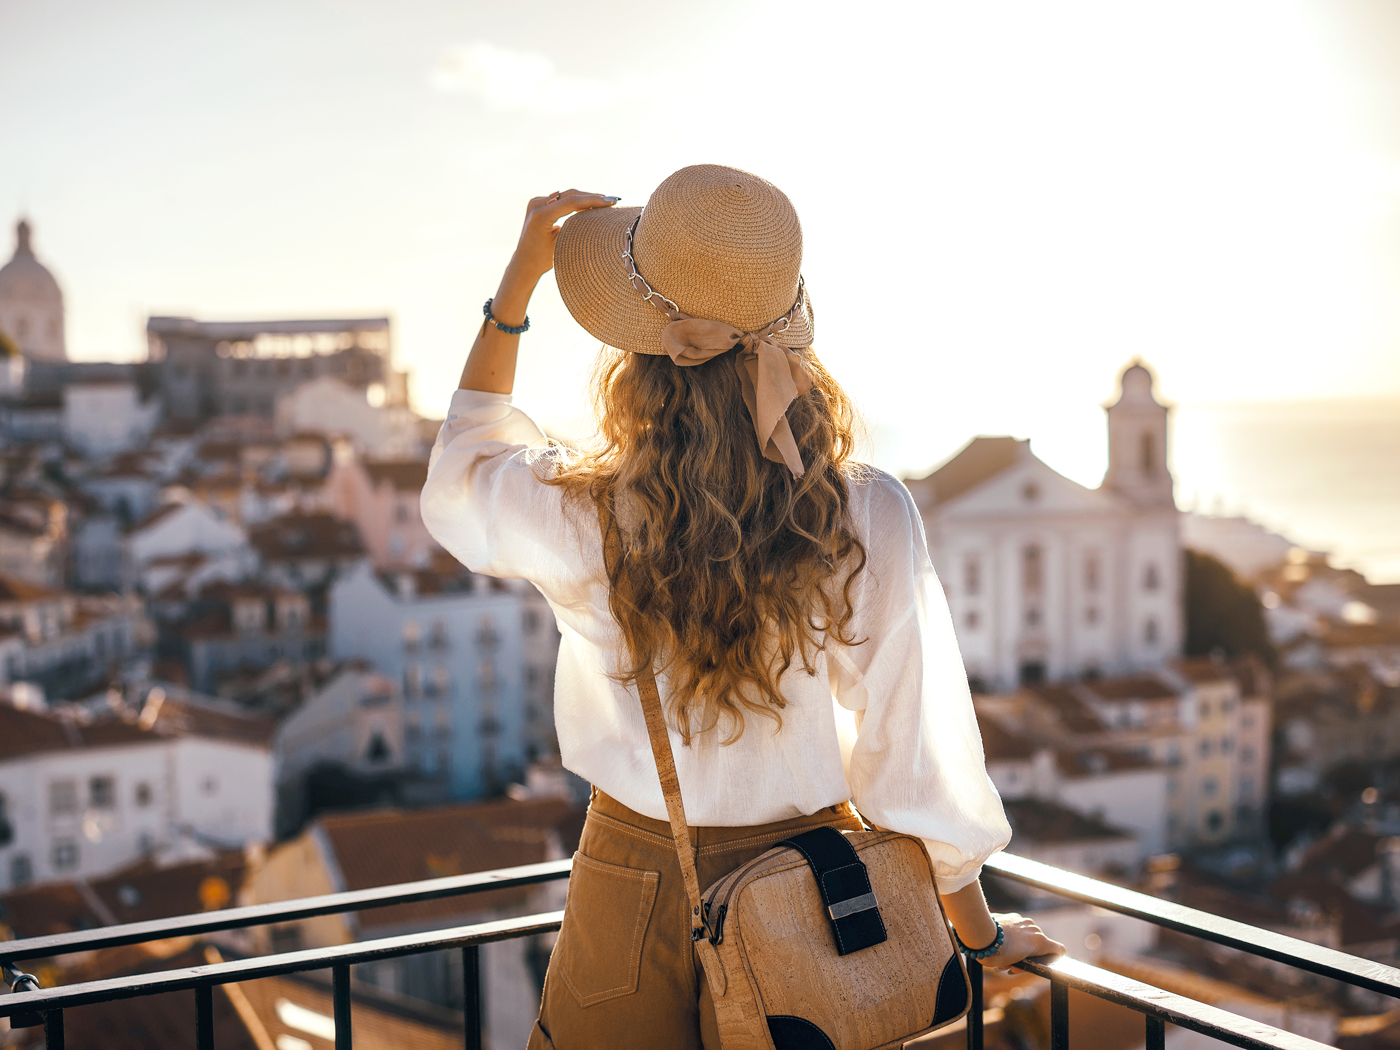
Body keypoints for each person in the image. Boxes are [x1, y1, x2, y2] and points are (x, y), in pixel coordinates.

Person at [421, 164, 1065, 1050]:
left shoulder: (581, 512)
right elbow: (909, 748)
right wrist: (976, 931)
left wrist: (518, 286)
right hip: (812, 891)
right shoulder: (865, 512)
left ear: (639, 357)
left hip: (632, 882)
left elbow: (458, 480)